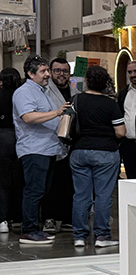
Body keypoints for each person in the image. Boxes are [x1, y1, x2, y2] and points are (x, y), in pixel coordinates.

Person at [11, 55, 70, 245]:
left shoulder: (42, 91)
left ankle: (34, 227)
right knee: (34, 190)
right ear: (30, 73)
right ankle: (29, 229)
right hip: (34, 149)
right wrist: (56, 112)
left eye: (47, 70)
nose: (47, 74)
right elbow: (28, 117)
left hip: (48, 149)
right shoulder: (24, 92)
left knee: (42, 190)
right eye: (43, 71)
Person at [69, 65, 126, 248]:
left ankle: (79, 236)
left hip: (79, 152)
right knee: (103, 196)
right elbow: (120, 132)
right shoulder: (110, 104)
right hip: (105, 153)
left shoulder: (76, 100)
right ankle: (102, 236)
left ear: (87, 81)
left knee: (81, 195)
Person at [43, 57, 75, 233]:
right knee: (50, 184)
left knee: (67, 183)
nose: (62, 74)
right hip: (51, 142)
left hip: (70, 145)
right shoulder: (45, 92)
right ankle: (49, 218)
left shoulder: (75, 91)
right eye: (57, 71)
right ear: (51, 72)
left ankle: (66, 218)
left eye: (65, 71)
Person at [0, 68, 22, 234]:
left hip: (2, 139)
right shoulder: (21, 95)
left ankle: (3, 219)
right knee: (21, 180)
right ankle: (18, 217)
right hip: (21, 138)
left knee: (3, 183)